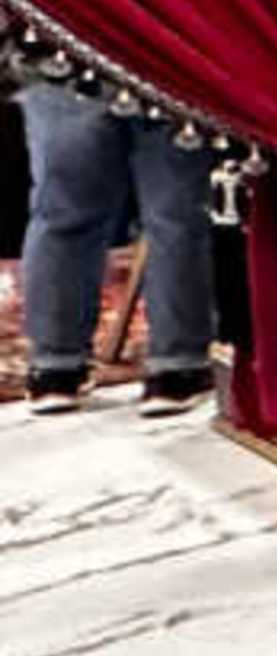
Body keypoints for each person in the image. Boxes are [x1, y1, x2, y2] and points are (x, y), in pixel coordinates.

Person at [17, 81, 217, 414]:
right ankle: (177, 368)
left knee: (64, 213)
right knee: (176, 218)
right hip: (166, 56)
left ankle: (54, 368)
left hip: (66, 56)